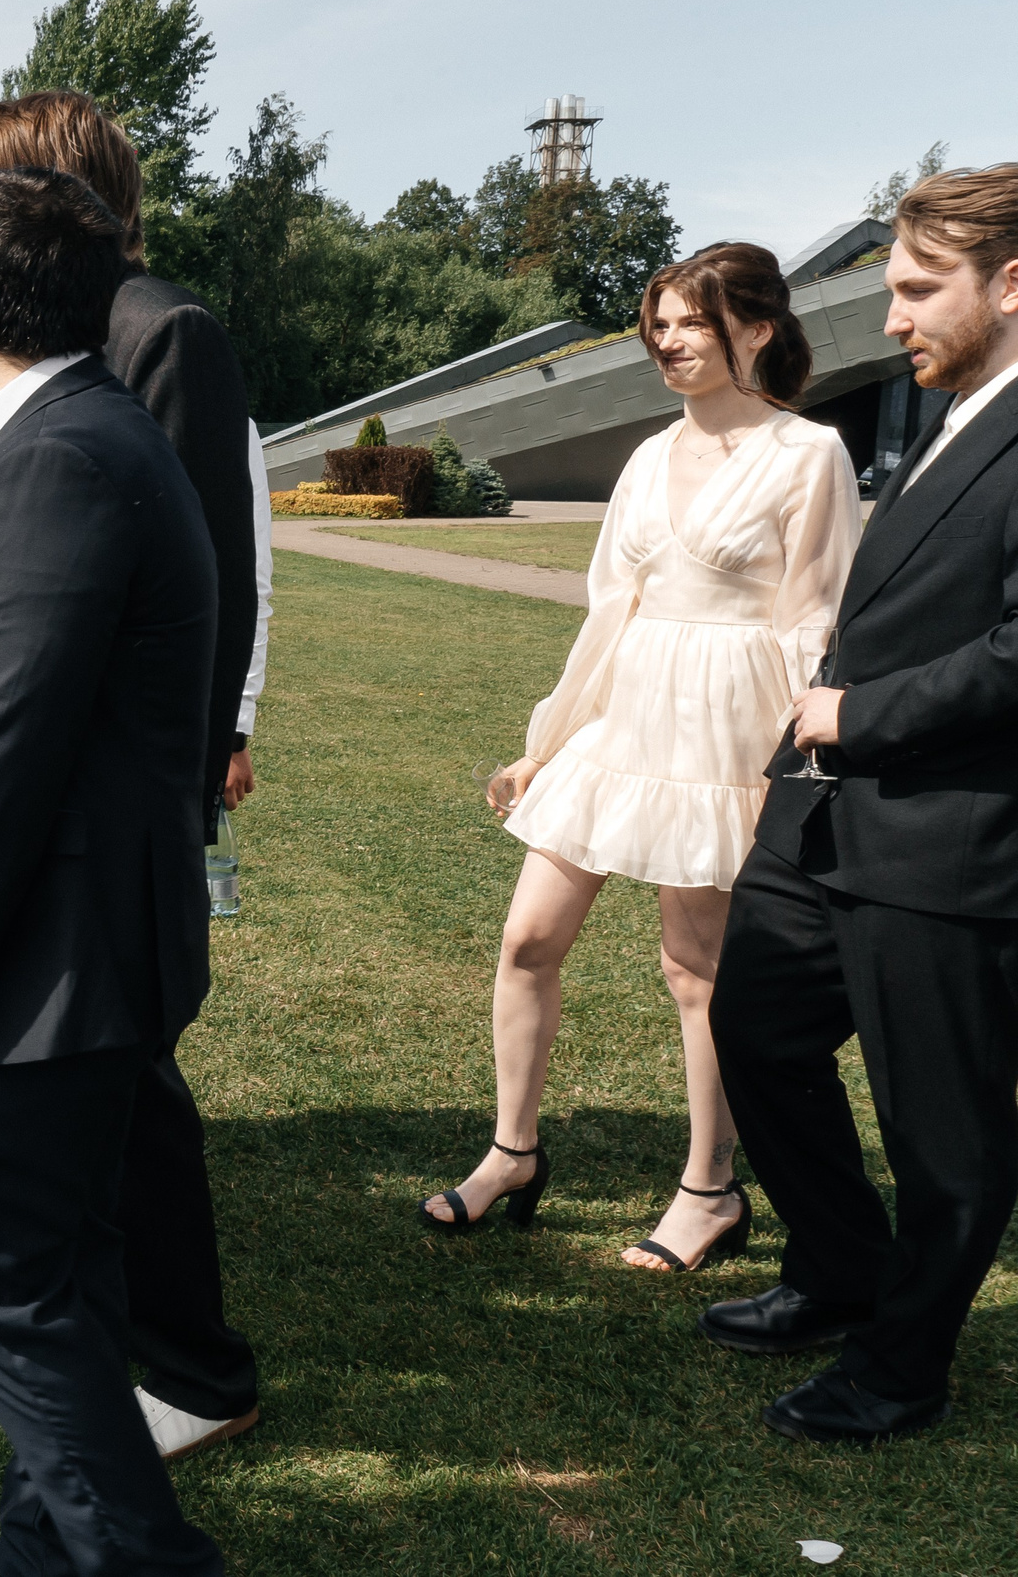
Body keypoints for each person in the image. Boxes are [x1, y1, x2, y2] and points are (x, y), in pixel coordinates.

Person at [0, 89, 268, 1468]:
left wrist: (191, 771)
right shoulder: (77, 363)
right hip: (53, 800)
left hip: (92, 817)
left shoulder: (147, 342)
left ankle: (176, 1360)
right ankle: (15, 1316)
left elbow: (199, 572)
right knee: (70, 1136)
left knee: (111, 1104)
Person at [420, 242, 859, 1277]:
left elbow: (814, 621)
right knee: (528, 939)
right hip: (624, 716)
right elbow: (605, 615)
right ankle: (512, 1153)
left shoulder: (810, 453)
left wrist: (793, 768)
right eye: (657, 323)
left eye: (691, 320)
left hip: (730, 729)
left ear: (757, 328)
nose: (667, 340)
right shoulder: (646, 456)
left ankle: (710, 1188)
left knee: (695, 970)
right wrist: (548, 743)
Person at [702, 166, 1018, 1443]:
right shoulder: (950, 405)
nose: (892, 317)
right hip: (823, 816)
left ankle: (900, 1366)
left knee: (943, 1132)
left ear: (1012, 282)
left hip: (946, 831)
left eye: (919, 289)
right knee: (754, 1028)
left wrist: (858, 713)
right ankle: (838, 1267)